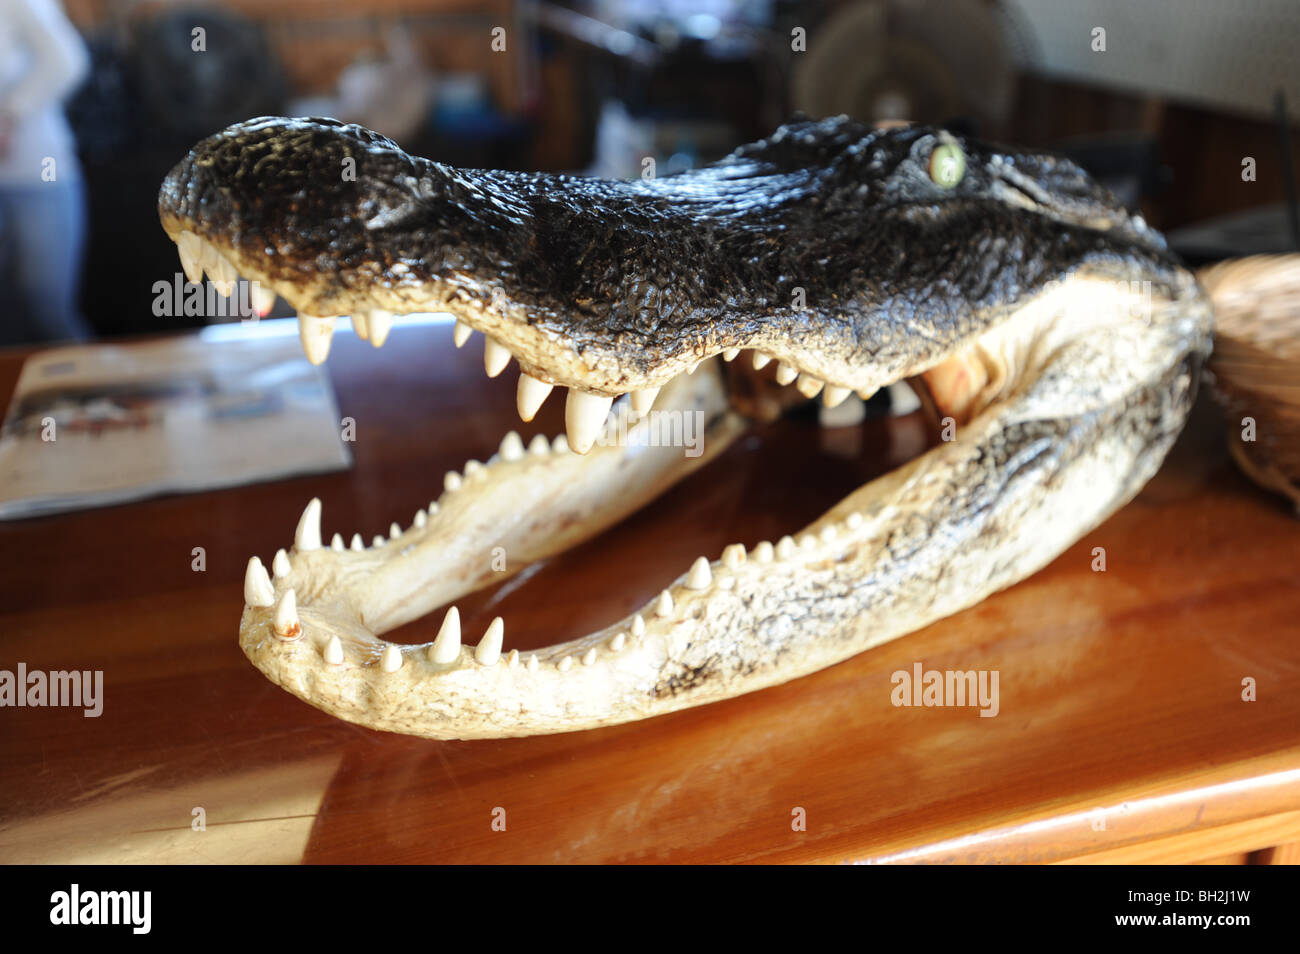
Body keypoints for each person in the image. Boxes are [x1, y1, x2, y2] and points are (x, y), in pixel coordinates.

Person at [0, 0, 91, 345]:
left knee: (46, 311)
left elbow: (68, 60)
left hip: (38, 175)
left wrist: (11, 114)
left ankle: (89, 398)